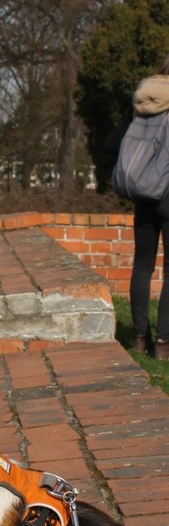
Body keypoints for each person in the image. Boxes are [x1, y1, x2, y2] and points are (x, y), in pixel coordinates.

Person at [108, 64, 169, 358]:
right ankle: (163, 345)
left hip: (143, 198)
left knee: (142, 266)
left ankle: (140, 338)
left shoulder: (142, 104)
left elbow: (111, 144)